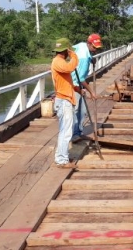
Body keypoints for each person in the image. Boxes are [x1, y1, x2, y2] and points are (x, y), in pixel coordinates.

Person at [51, 38, 86, 168]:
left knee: (65, 131)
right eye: (68, 51)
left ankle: (62, 156)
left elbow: (67, 82)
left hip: (66, 98)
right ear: (65, 50)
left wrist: (76, 89)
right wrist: (74, 56)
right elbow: (71, 67)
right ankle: (61, 160)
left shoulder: (60, 62)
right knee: (65, 132)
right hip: (63, 100)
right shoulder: (58, 62)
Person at [70, 33, 101, 142]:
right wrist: (91, 92)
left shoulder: (83, 46)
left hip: (75, 82)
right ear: (89, 44)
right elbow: (81, 79)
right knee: (76, 110)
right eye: (94, 47)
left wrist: (91, 58)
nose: (95, 50)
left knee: (82, 110)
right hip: (73, 85)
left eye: (97, 48)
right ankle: (74, 135)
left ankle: (78, 132)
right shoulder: (83, 58)